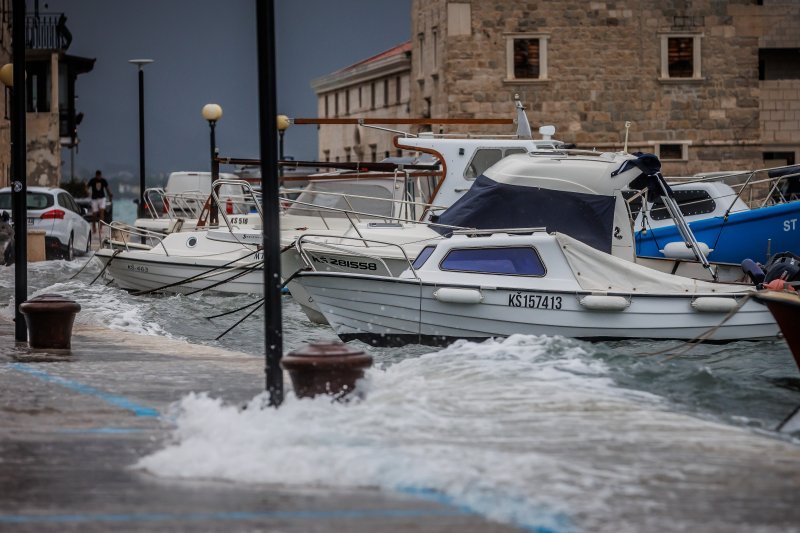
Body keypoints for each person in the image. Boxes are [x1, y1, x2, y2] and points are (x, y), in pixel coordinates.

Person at [87, 170, 112, 239]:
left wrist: (110, 195)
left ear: (100, 175)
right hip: (94, 198)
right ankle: (94, 227)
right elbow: (87, 187)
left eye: (99, 176)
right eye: (98, 176)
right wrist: (87, 192)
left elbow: (107, 188)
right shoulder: (92, 180)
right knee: (94, 214)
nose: (98, 177)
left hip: (102, 198)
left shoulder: (103, 181)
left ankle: (100, 228)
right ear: (96, 175)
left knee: (102, 212)